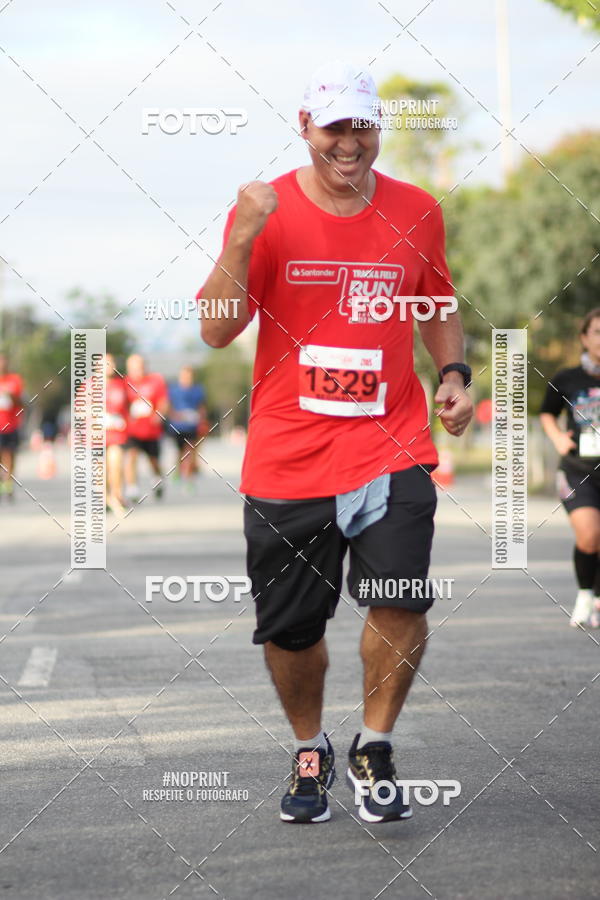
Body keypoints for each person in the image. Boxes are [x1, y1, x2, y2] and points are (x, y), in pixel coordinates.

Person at [199, 60, 473, 825]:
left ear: (377, 130)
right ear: (305, 128)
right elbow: (217, 329)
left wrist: (452, 369)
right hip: (288, 457)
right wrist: (243, 236)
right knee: (292, 628)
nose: (350, 142)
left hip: (392, 446)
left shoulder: (418, 210)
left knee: (401, 597)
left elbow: (437, 301)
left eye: (363, 126)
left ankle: (376, 745)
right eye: (335, 128)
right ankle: (311, 748)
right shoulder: (263, 210)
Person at [540, 308, 600, 629]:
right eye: (598, 332)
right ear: (584, 338)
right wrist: (557, 439)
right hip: (578, 468)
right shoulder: (567, 378)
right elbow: (547, 412)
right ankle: (585, 595)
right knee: (590, 534)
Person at [124, 354, 168, 502]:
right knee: (131, 456)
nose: (137, 370)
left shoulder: (156, 380)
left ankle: (157, 479)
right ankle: (132, 488)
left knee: (154, 461)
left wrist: (159, 414)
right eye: (133, 368)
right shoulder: (125, 382)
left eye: (140, 367)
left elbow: (164, 401)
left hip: (151, 430)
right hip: (132, 430)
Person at [167, 366, 207, 483]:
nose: (186, 379)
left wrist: (201, 418)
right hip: (178, 426)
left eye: (189, 377)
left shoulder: (198, 390)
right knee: (179, 451)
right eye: (184, 376)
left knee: (190, 450)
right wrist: (175, 415)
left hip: (192, 426)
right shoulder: (174, 390)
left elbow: (202, 407)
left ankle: (189, 478)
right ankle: (178, 472)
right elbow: (169, 406)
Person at [105, 353, 129, 514]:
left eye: (111, 362)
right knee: (101, 470)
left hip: (117, 433)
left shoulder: (122, 384)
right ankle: (105, 498)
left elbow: (130, 405)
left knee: (116, 464)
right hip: (96, 436)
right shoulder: (88, 386)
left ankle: (117, 495)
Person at [0, 353, 24, 502]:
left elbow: (21, 402)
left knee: (10, 455)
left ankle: (8, 484)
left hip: (11, 425)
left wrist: (11, 396)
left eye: (4, 362)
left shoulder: (14, 380)